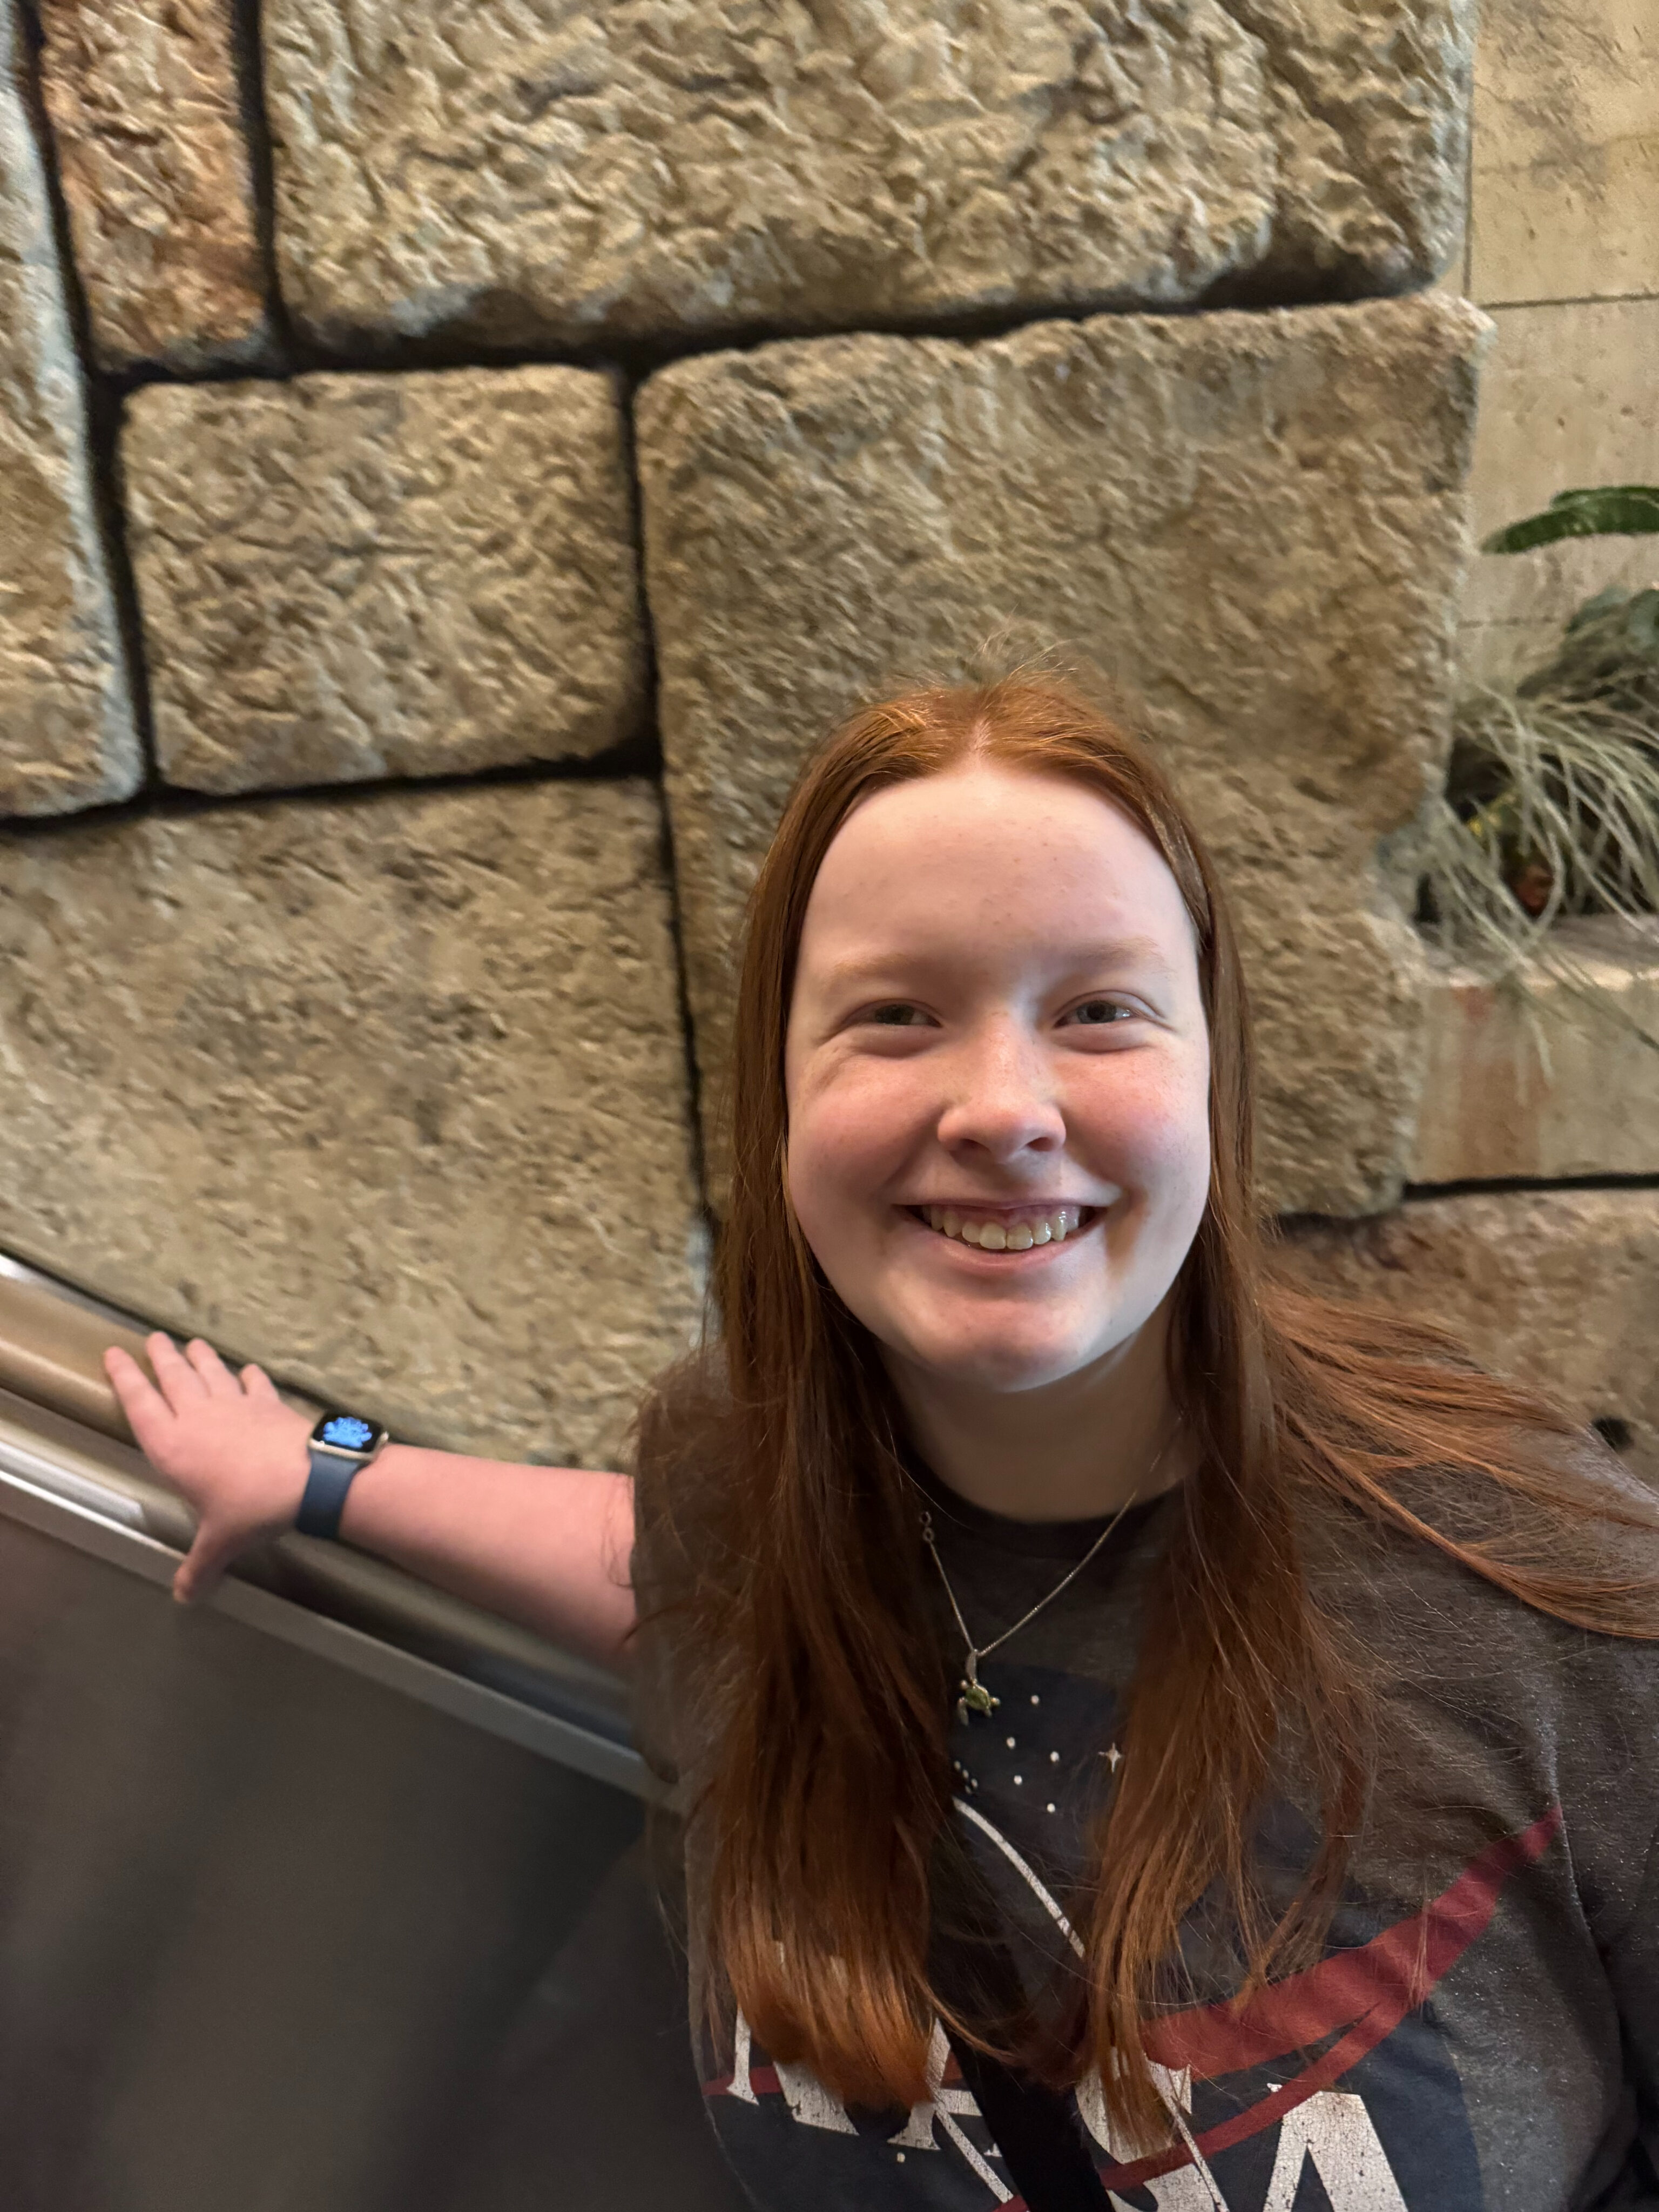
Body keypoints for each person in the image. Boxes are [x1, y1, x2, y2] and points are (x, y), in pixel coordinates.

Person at [106, 671, 1659, 2211]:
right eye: (896, 1015)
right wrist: (321, 1470)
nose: (1002, 1106)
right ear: (781, 1093)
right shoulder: (747, 1486)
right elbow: (673, 1568)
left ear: (1216, 1072)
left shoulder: (1557, 1609)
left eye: (1100, 1009)